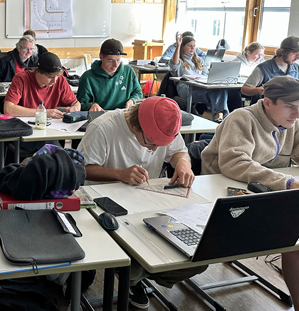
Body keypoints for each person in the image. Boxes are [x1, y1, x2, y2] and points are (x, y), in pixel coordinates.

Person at [77, 96, 201, 308]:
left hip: (147, 201)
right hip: (105, 203)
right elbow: (83, 169)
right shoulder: (103, 127)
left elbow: (179, 152)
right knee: (140, 252)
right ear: (136, 126)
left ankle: (136, 276)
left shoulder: (165, 123)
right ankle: (133, 275)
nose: (154, 150)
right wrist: (119, 174)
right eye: (151, 143)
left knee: (198, 256)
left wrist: (183, 164)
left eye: (160, 145)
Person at [200, 76, 299, 306]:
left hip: (264, 193)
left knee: (294, 242)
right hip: (222, 196)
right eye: (290, 107)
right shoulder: (242, 118)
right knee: (293, 242)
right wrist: (286, 182)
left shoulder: (292, 122)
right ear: (267, 102)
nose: (296, 114)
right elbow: (235, 163)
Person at [170, 34, 228, 122]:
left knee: (221, 91)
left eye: (194, 46)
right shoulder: (179, 60)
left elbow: (207, 74)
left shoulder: (199, 60)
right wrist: (178, 45)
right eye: (189, 46)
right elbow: (174, 65)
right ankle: (221, 118)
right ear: (182, 47)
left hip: (201, 86)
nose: (192, 48)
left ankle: (219, 117)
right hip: (186, 88)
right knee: (216, 95)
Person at [77, 38, 142, 111]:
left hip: (124, 114)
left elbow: (138, 93)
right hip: (101, 115)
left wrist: (132, 100)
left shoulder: (129, 71)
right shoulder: (87, 77)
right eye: (110, 60)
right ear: (101, 57)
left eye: (118, 60)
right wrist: (91, 105)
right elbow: (81, 103)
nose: (115, 65)